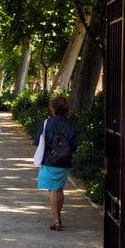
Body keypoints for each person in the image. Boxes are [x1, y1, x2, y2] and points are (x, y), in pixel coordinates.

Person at [36, 95, 78, 231]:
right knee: (59, 188)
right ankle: (58, 216)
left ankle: (56, 220)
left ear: (52, 108)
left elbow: (38, 140)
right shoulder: (69, 125)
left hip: (49, 159)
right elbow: (74, 145)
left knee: (53, 189)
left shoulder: (47, 123)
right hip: (64, 161)